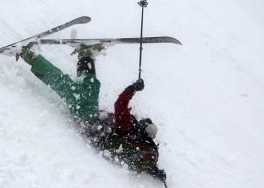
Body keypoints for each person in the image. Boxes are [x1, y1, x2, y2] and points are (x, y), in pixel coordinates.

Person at [17, 42, 166, 180]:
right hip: (92, 123)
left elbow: (120, 104)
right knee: (89, 87)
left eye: (144, 122)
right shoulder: (140, 144)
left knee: (66, 85)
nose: (141, 120)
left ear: (143, 128)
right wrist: (155, 172)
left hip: (88, 120)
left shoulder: (129, 128)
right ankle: (85, 55)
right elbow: (143, 162)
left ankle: (27, 55)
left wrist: (132, 88)